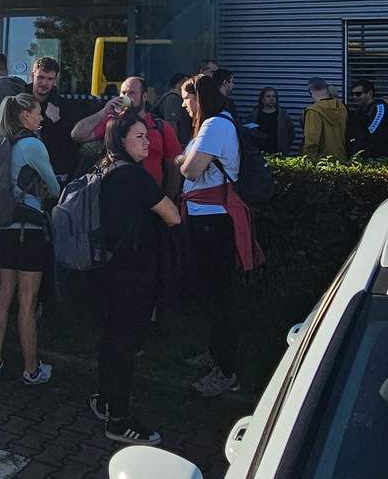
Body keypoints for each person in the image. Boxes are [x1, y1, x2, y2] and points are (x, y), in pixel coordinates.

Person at [88, 112, 182, 445]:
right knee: (124, 346)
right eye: (139, 137)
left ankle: (104, 400)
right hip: (133, 272)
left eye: (147, 135)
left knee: (112, 339)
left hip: (105, 266)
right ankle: (118, 420)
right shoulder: (135, 176)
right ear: (121, 140)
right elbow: (173, 216)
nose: (148, 142)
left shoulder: (104, 166)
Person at [176, 72, 261, 397]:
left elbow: (190, 169)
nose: (184, 105)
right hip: (207, 218)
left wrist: (182, 159)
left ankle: (226, 371)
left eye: (187, 99)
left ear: (200, 97)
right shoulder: (215, 124)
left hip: (214, 221)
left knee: (221, 295)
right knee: (212, 293)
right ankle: (215, 354)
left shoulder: (214, 126)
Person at [0, 93, 59, 386]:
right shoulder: (33, 145)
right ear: (25, 115)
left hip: (3, 227)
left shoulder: (2, 143)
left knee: (3, 295)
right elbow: (54, 188)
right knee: (27, 300)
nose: (41, 118)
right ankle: (31, 369)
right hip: (29, 230)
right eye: (38, 113)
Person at [71, 76, 184, 193]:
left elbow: (173, 166)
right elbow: (77, 135)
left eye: (132, 93)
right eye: (123, 93)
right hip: (116, 192)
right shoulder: (112, 122)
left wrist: (169, 197)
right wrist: (104, 112)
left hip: (151, 196)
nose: (127, 97)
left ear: (144, 97)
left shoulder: (160, 126)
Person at [30, 56, 83, 177]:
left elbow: (72, 146)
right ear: (32, 76)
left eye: (49, 79)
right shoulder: (18, 102)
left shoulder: (66, 107)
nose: (44, 83)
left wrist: (57, 120)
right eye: (41, 77)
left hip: (55, 170)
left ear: (55, 80)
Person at [344, 79, 388, 159]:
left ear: (370, 93)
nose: (354, 97)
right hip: (367, 155)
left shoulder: (380, 109)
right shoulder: (359, 111)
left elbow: (372, 130)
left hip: (381, 155)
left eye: (358, 94)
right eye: (352, 94)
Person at [301, 77, 349, 161]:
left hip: (322, 161)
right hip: (342, 159)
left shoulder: (313, 111)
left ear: (310, 91)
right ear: (326, 88)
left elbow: (311, 142)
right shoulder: (342, 107)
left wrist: (307, 161)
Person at [158, 72, 193, 143]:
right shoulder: (173, 98)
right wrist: (176, 145)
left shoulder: (176, 99)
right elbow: (171, 124)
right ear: (179, 84)